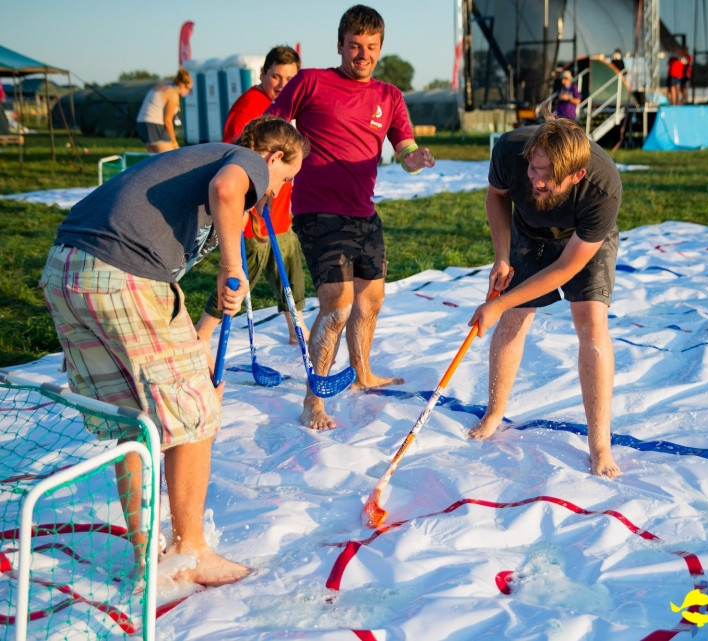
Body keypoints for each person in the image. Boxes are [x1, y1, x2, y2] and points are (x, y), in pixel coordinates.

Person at [40, 116, 307, 586]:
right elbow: (228, 190)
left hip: (66, 270)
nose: (279, 190)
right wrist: (231, 263)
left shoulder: (198, 160)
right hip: (123, 273)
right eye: (286, 178)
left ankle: (146, 554)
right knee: (195, 415)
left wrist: (197, 339)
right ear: (272, 158)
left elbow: (171, 277)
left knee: (132, 420)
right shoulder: (243, 161)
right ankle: (191, 550)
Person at [266, 4, 435, 431]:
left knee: (371, 300)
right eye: (355, 46)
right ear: (340, 44)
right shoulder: (311, 81)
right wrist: (265, 169)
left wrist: (417, 158)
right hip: (318, 209)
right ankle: (314, 401)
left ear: (380, 48)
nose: (363, 54)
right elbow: (270, 126)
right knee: (337, 305)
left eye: (371, 47)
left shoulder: (389, 96)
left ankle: (362, 373)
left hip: (364, 211)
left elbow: (405, 149)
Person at [466, 117, 622, 479]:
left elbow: (567, 266)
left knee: (591, 319)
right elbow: (497, 197)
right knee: (515, 316)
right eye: (533, 169)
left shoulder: (603, 188)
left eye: (547, 177)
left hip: (581, 240)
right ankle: (493, 413)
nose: (536, 180)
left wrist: (497, 302)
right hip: (528, 229)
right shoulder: (509, 149)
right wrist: (501, 255)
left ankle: (600, 445)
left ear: (576, 176)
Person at [196, 45, 307, 347]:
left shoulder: (289, 105)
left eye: (290, 79)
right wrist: (255, 198)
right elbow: (235, 155)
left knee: (289, 264)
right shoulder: (249, 106)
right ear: (262, 74)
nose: (282, 85)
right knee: (242, 275)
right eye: (276, 77)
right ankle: (203, 333)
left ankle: (295, 328)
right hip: (254, 211)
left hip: (279, 207)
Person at [136, 68, 193, 153]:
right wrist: (174, 142)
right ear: (182, 84)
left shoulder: (163, 86)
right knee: (170, 158)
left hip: (141, 123)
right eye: (189, 89)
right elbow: (167, 120)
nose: (189, 92)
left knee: (154, 160)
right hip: (154, 124)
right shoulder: (173, 94)